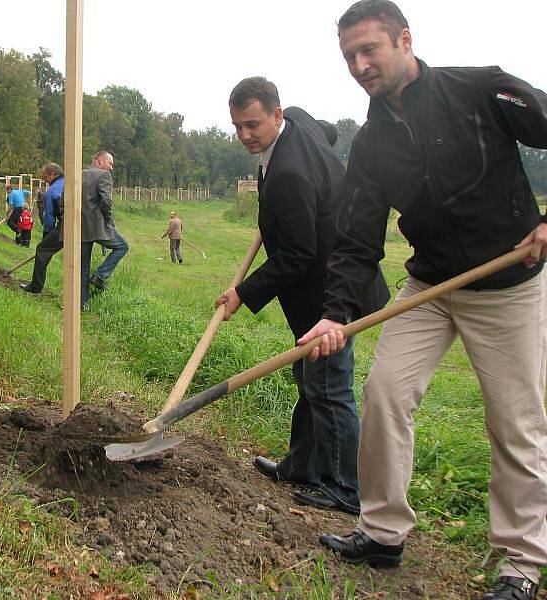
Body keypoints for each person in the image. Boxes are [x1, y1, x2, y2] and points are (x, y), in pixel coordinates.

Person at [296, 2, 547, 598]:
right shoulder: (373, 139)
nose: (359, 65)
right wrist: (335, 312)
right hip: (429, 287)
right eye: (349, 57)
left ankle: (520, 563)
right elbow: (357, 236)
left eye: (369, 50)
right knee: (384, 396)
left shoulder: (481, 89)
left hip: (509, 285)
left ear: (404, 40)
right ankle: (382, 532)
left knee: (514, 424)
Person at [217, 76, 388, 516]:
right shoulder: (299, 121)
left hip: (331, 292)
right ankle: (303, 465)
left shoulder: (290, 174)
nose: (245, 136)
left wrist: (242, 292)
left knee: (329, 386)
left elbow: (295, 256)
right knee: (311, 380)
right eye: (237, 126)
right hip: (324, 276)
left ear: (277, 114)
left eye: (253, 125)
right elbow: (326, 132)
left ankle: (345, 485)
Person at [80, 150, 129, 307]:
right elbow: (106, 201)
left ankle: (83, 303)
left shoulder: (78, 174)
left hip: (79, 227)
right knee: (122, 246)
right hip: (98, 226)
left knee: (83, 267)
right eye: (110, 163)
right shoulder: (103, 175)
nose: (112, 168)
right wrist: (109, 220)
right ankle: (100, 276)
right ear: (99, 161)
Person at [20, 163, 65, 294]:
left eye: (46, 177)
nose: (45, 180)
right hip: (82, 222)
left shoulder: (52, 192)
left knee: (42, 249)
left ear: (53, 174)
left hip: (65, 225)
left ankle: (35, 286)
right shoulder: (69, 182)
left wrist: (46, 237)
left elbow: (50, 218)